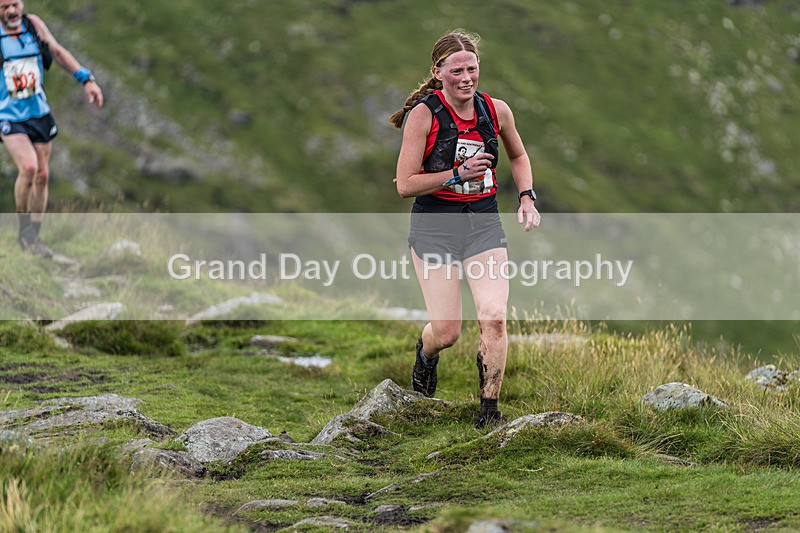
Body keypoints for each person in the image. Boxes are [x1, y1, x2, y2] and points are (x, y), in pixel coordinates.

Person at [390, 29, 540, 428]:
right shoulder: (424, 116)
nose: (466, 77)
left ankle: (489, 412)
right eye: (457, 70)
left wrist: (526, 196)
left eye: (472, 68)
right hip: (434, 228)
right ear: (438, 72)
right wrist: (457, 174)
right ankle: (426, 356)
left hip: (483, 224)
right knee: (447, 332)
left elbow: (519, 155)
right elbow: (405, 184)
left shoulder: (496, 110)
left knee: (493, 316)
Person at [0, 0, 103, 258]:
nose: (11, 11)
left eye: (14, 4)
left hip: (38, 111)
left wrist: (86, 79)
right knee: (29, 167)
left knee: (43, 175)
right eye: (4, 7)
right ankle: (24, 231)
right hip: (8, 114)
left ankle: (34, 236)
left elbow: (56, 52)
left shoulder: (33, 25)